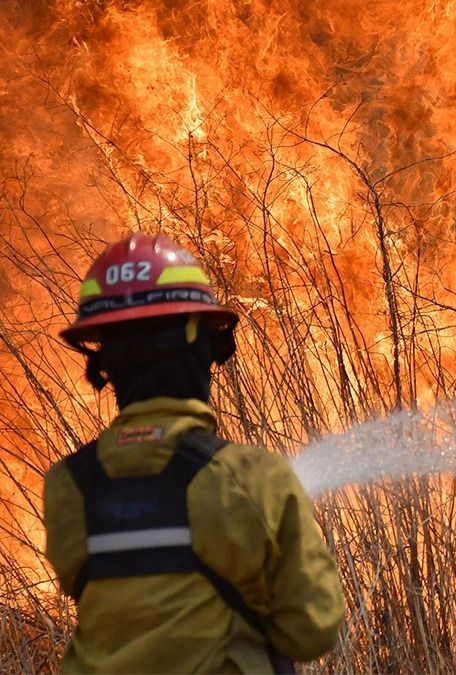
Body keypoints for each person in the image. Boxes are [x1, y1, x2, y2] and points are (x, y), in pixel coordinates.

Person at [43, 232, 345, 674]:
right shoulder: (252, 478)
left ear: (104, 358)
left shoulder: (68, 486)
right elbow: (312, 629)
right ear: (196, 341)